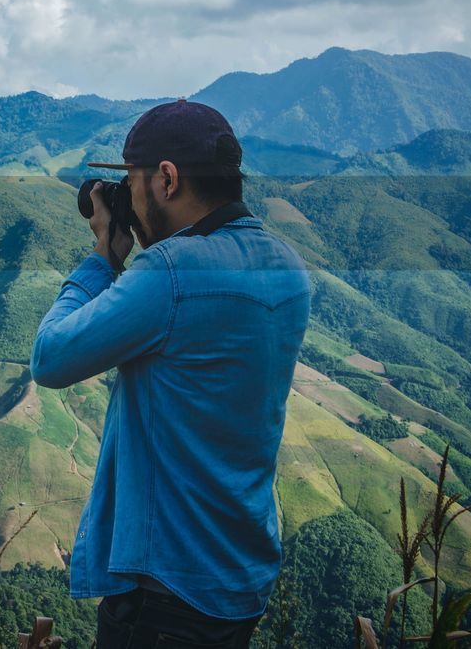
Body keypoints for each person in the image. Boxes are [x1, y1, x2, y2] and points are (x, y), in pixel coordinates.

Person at [30, 99, 311, 649]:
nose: (130, 199)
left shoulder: (170, 275)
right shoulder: (287, 268)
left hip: (167, 588)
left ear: (167, 178)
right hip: (239, 572)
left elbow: (50, 357)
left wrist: (104, 257)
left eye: (132, 182)